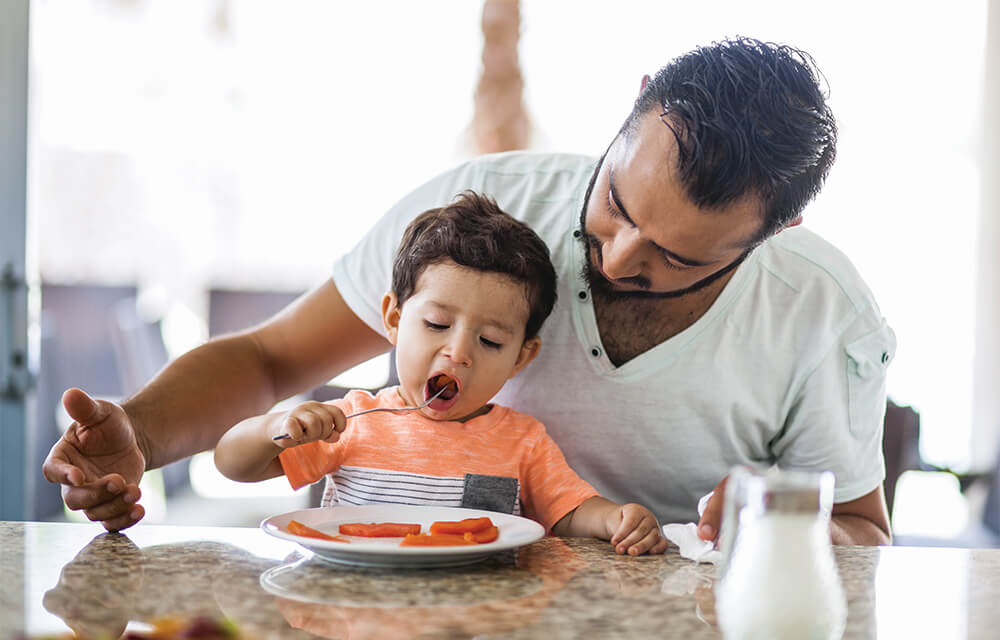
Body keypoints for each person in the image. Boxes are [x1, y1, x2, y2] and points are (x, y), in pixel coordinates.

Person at [43, 37, 894, 545]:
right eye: (616, 203)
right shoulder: (484, 206)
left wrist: (779, 525)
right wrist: (139, 436)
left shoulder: (819, 308)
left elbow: (863, 528)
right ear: (635, 104)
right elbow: (271, 360)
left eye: (674, 257)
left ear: (773, 234)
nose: (619, 252)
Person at [213, 192, 667, 555]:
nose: (459, 352)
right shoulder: (350, 421)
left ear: (521, 357)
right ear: (393, 319)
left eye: (490, 341)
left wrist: (615, 519)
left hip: (476, 620)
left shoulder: (522, 441)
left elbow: (570, 510)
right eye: (436, 325)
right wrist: (275, 428)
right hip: (355, 611)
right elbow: (232, 465)